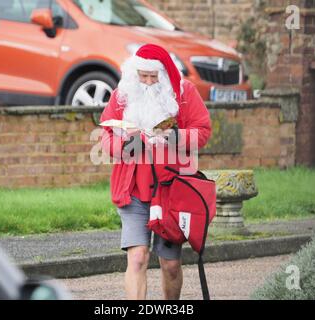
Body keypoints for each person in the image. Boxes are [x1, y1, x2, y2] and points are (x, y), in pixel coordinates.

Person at [100, 44, 212, 300]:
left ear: (164, 74)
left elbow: (203, 131)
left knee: (170, 264)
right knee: (138, 258)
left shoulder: (184, 93)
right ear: (134, 73)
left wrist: (175, 136)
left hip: (172, 191)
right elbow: (106, 136)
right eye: (143, 76)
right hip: (133, 191)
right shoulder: (121, 95)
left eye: (154, 77)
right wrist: (125, 146)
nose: (149, 82)